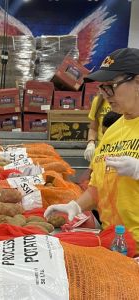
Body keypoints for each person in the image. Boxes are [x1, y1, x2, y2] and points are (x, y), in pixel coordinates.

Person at [45, 47, 139, 252]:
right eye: (103, 88)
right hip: (115, 242)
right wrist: (76, 206)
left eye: (111, 86)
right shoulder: (112, 131)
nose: (106, 95)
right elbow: (98, 187)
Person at [84, 94, 111, 161]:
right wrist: (91, 143)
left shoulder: (128, 101)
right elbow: (93, 128)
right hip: (102, 152)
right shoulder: (98, 101)